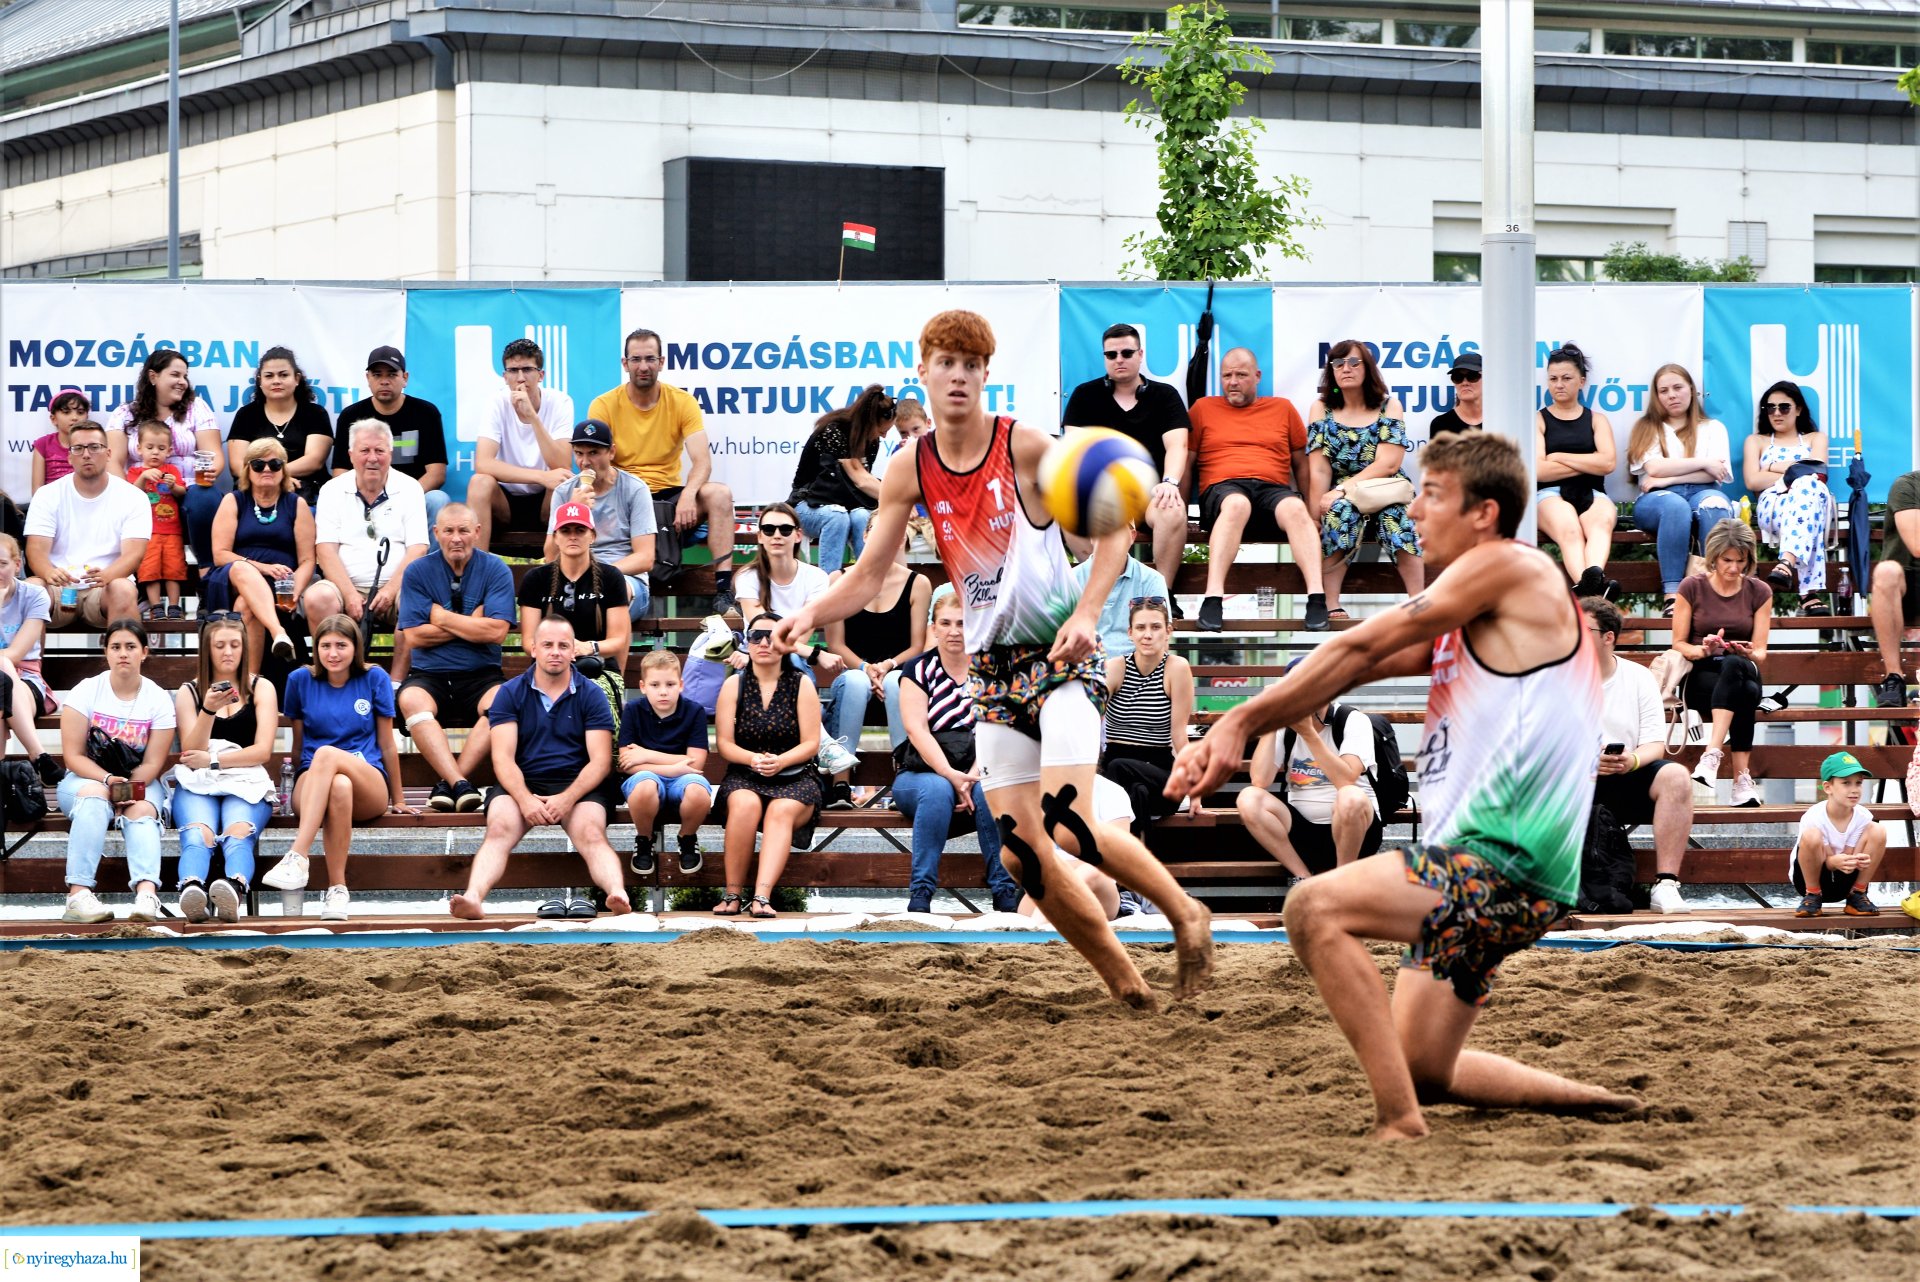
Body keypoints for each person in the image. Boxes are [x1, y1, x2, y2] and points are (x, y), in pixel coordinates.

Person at [1170, 432, 1642, 1140]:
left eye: (1431, 494)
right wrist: (1254, 718)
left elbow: (1358, 646)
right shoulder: (1479, 605)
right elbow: (1357, 664)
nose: (1414, 511)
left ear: (1483, 513)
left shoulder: (1513, 569)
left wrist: (1237, 720)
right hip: (1490, 867)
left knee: (1312, 909)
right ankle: (1601, 1106)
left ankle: (1400, 1125)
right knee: (1425, 1068)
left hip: (1503, 863)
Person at [775, 308, 1214, 1007]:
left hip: (1058, 656)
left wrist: (1088, 612)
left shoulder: (1026, 446)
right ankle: (1125, 983)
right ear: (922, 371)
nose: (957, 375)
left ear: (985, 375)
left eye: (970, 364)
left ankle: (1187, 914)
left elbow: (1118, 530)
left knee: (1071, 824)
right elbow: (864, 576)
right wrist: (805, 613)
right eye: (945, 362)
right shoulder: (908, 465)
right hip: (994, 670)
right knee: (1020, 852)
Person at [450, 615, 632, 920]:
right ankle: (473, 898)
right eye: (548, 644)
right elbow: (502, 759)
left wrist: (567, 798)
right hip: (523, 782)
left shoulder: (591, 693)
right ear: (533, 649)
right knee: (499, 828)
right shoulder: (509, 693)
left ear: (574, 651)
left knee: (591, 832)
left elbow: (600, 761)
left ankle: (617, 893)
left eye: (563, 645)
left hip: (578, 784)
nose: (556, 652)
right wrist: (524, 799)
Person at [259, 615, 411, 921]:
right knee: (337, 783)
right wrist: (288, 792)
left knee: (328, 755)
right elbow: (299, 748)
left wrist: (399, 800)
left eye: (341, 645)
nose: (333, 653)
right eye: (325, 645)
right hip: (314, 781)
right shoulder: (299, 680)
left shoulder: (374, 678)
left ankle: (297, 856)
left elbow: (387, 744)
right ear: (316, 649)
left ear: (355, 647)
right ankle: (337, 890)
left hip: (368, 781)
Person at [892, 588, 1025, 915]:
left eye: (962, 623)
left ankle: (1005, 891)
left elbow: (996, 726)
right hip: (922, 772)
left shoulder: (991, 669)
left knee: (987, 790)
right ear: (933, 628)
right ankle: (921, 894)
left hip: (982, 766)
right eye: (945, 623)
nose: (954, 631)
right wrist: (951, 776)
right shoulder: (917, 670)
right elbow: (916, 730)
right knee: (937, 791)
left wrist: (976, 772)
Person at [588, 328, 737, 612]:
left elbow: (702, 460)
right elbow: (596, 461)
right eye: (636, 359)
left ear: (662, 362)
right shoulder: (604, 404)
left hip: (668, 496)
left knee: (719, 494)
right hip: (625, 493)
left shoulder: (682, 401)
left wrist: (689, 495)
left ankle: (722, 591)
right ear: (625, 363)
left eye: (649, 359)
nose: (643, 366)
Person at [1186, 346, 1327, 632]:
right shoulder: (1203, 408)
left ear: (1257, 376)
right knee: (1238, 504)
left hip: (1271, 490)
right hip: (1223, 490)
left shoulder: (1282, 408)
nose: (1233, 382)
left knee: (1295, 508)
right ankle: (1213, 598)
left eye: (1240, 374)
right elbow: (1186, 463)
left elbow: (1302, 465)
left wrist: (1313, 512)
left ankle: (1316, 598)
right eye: (1226, 375)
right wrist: (1180, 511)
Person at [1060, 323, 1192, 606]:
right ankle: (1102, 590)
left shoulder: (1164, 395)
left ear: (1140, 354)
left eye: (1126, 352)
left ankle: (1160, 596)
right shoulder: (1085, 395)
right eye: (1111, 355)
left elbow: (1178, 445)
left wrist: (1169, 482)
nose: (1119, 359)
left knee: (1173, 508)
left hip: (1150, 493)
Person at [395, 503, 516, 812]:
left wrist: (439, 617)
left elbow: (497, 632)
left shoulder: (495, 569)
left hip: (482, 672)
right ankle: (461, 783)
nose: (456, 538)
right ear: (436, 534)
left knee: (503, 701)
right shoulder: (418, 571)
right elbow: (414, 637)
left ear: (477, 532)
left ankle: (451, 782)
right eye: (448, 531)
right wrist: (470, 621)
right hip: (429, 672)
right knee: (410, 701)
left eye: (464, 530)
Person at [55, 619, 176, 924]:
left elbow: (152, 763)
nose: (123, 653)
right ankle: (78, 895)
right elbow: (73, 757)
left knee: (143, 809)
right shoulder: (86, 690)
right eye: (116, 647)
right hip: (86, 779)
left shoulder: (158, 697)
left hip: (139, 780)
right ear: (106, 653)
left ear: (144, 652)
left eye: (131, 647)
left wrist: (128, 789)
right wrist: (108, 782)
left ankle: (147, 895)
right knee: (95, 797)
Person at [1579, 596, 1694, 915]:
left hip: (1625, 776)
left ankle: (1667, 884)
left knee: (1676, 775)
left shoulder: (1638, 678)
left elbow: (1655, 744)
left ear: (1608, 637)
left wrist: (1630, 761)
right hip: (1572, 784)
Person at [712, 612, 823, 920]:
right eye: (756, 636)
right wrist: (753, 759)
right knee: (744, 804)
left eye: (771, 636)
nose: (763, 643)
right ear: (746, 643)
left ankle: (762, 897)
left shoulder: (801, 685)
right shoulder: (734, 685)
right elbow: (724, 743)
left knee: (780, 810)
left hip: (795, 774)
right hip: (746, 773)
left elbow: (811, 743)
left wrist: (781, 761)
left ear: (786, 643)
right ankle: (733, 894)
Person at [170, 615, 279, 923]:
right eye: (219, 646)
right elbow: (192, 750)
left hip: (245, 780)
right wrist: (208, 709)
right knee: (198, 834)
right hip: (197, 781)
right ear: (207, 650)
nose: (228, 652)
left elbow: (262, 751)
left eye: (235, 645)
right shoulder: (189, 692)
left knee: (238, 833)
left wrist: (214, 761)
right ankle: (192, 889)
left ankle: (233, 887)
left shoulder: (262, 688)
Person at [1234, 660, 1384, 881]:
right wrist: (1270, 720)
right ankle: (1303, 878)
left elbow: (1346, 780)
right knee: (1249, 797)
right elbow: (1260, 780)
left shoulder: (1352, 720)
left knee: (1350, 797)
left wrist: (1309, 734)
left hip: (1356, 832)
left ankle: (1343, 880)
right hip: (1303, 831)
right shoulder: (1285, 726)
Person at [1306, 339, 1423, 622]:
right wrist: (1315, 513)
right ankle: (1331, 604)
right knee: (1337, 513)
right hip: (1340, 495)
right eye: (1338, 363)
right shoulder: (1322, 408)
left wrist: (1343, 488)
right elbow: (1319, 470)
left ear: (1367, 368)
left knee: (1397, 518)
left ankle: (1419, 602)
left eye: (1354, 362)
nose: (1346, 368)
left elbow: (1389, 462)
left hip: (1383, 486)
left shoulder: (1388, 405)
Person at [820, 538, 928, 806]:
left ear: (901, 539)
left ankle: (905, 777)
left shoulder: (918, 583)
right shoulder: (840, 579)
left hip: (897, 677)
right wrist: (866, 668)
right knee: (856, 681)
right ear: (865, 536)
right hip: (853, 675)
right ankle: (841, 781)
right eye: (876, 531)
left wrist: (887, 665)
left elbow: (917, 646)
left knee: (895, 681)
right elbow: (836, 644)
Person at [1672, 518, 1772, 804]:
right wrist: (1704, 648)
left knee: (1736, 666)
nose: (1733, 568)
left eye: (1740, 561)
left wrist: (1745, 651)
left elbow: (1761, 652)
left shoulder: (1759, 592)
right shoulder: (1691, 587)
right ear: (1713, 556)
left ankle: (1711, 756)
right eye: (1727, 560)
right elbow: (1678, 644)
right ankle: (1742, 782)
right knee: (1746, 691)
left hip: (1742, 668)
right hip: (1702, 676)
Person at [1627, 363, 1734, 618]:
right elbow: (1653, 467)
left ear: (1692, 390)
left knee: (1716, 506)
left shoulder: (1713, 428)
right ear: (1657, 396)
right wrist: (1703, 462)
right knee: (1676, 507)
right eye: (1663, 391)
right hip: (1656, 500)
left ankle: (1712, 591)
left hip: (1702, 491)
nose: (1671, 395)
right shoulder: (1647, 427)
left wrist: (1666, 478)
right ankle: (1673, 594)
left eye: (1677, 387)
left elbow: (1717, 473)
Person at [306, 418, 429, 636]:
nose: (372, 458)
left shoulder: (411, 488)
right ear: (351, 454)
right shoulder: (331, 490)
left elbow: (418, 549)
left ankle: (400, 672)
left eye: (380, 450)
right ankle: (328, 670)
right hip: (345, 587)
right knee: (317, 597)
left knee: (416, 599)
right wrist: (350, 594)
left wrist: (390, 591)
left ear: (390, 454)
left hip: (397, 588)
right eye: (365, 450)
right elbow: (325, 551)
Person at [106, 349, 225, 572]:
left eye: (185, 377)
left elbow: (214, 455)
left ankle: (207, 576)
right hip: (142, 493)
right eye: (175, 375)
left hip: (188, 489)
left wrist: (211, 471)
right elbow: (113, 461)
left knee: (204, 497)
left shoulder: (196, 407)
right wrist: (130, 493)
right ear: (153, 377)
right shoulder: (125, 413)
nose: (182, 382)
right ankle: (139, 589)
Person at [23, 421, 149, 630]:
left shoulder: (133, 497)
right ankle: (26, 664)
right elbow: (35, 549)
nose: (86, 454)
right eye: (78, 449)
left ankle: (125, 662)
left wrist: (108, 575)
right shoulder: (47, 494)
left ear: (108, 453)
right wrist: (48, 573)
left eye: (94, 447)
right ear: (69, 457)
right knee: (32, 589)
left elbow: (133, 555)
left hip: (105, 588)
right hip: (59, 587)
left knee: (123, 589)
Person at [206, 437, 310, 668]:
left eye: (274, 464)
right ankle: (278, 631)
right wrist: (262, 567)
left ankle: (251, 681)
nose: (266, 469)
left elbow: (307, 560)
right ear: (247, 470)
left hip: (281, 585)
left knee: (246, 604)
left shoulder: (296, 504)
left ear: (283, 470)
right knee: (243, 569)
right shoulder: (234, 501)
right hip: (233, 579)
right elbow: (220, 554)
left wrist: (294, 592)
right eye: (257, 464)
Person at [519, 501, 633, 704]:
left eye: (580, 530)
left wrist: (586, 647)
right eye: (565, 530)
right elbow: (528, 642)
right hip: (548, 668)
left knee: (592, 702)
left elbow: (618, 641)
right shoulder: (536, 579)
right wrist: (560, 651)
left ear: (592, 536)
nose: (573, 536)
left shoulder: (611, 577)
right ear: (555, 537)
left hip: (599, 669)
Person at [468, 337, 575, 552]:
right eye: (513, 371)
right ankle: (475, 575)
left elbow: (562, 463)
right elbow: (483, 463)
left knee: (564, 482)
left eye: (527, 369)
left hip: (546, 501)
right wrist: (540, 476)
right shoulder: (496, 402)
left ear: (540, 375)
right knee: (480, 482)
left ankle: (560, 578)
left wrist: (533, 417)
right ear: (504, 376)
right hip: (505, 503)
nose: (520, 378)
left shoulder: (561, 401)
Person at [329, 346, 451, 533]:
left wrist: (400, 497)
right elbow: (340, 471)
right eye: (377, 375)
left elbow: (436, 473)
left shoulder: (426, 413)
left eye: (392, 374)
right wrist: (370, 498)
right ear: (368, 378)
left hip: (411, 499)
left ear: (405, 378)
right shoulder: (350, 416)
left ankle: (426, 563)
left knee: (438, 499)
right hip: (364, 498)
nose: (384, 381)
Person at [547, 418, 658, 620]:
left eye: (594, 453)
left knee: (610, 591)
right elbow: (549, 556)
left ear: (611, 452)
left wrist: (597, 574)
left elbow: (645, 557)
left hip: (625, 579)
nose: (585, 462)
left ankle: (600, 650)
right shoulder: (564, 492)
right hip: (572, 576)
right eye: (579, 453)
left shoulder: (635, 489)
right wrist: (572, 510)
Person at [1099, 597, 1192, 836]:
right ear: (1130, 633)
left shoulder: (1177, 668)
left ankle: (1127, 865)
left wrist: (1196, 789)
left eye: (1155, 627)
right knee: (1135, 790)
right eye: (1140, 628)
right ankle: (1142, 856)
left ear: (1168, 631)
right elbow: (1092, 719)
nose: (1147, 635)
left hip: (1159, 772)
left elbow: (1179, 734)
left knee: (1123, 774)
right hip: (1117, 765)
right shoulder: (1115, 668)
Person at [619, 649, 713, 878]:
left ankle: (687, 838)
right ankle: (644, 839)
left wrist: (645, 755)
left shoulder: (694, 711)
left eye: (670, 684)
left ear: (681, 685)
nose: (663, 692)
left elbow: (695, 764)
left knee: (698, 790)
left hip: (683, 779)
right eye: (655, 685)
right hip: (645, 780)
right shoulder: (633, 710)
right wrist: (673, 767)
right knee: (644, 784)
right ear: (642, 686)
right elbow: (627, 763)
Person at [1744, 379, 1834, 617]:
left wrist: (1771, 470)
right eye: (1770, 408)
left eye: (1784, 407)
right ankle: (1807, 593)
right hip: (1773, 506)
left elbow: (1818, 473)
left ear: (1798, 409)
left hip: (1810, 501)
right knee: (1805, 487)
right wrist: (1793, 469)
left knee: (1807, 487)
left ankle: (1787, 563)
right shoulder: (1757, 441)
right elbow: (1752, 481)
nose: (1776, 412)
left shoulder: (1816, 438)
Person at [1533, 343, 1617, 598]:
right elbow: (1539, 471)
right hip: (1549, 495)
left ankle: (1587, 587)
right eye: (1553, 379)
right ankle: (1594, 592)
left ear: (1581, 381)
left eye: (1566, 378)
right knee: (1569, 528)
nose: (1559, 384)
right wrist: (1589, 461)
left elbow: (1608, 464)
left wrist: (1558, 457)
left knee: (1602, 522)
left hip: (1594, 493)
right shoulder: (1537, 419)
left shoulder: (1597, 419)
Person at [791, 384, 891, 573]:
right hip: (807, 504)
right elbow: (860, 479)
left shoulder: (872, 441)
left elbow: (864, 481)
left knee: (863, 516)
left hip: (844, 507)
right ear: (869, 422)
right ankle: (829, 585)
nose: (884, 436)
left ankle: (868, 582)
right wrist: (898, 499)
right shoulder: (834, 431)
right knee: (837, 518)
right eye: (881, 430)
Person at [227, 346, 334, 506]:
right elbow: (237, 465)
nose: (276, 380)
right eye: (269, 376)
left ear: (297, 379)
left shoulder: (315, 414)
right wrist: (272, 478)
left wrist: (275, 475)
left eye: (283, 375)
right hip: (255, 489)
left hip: (305, 491)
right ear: (260, 380)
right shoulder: (246, 415)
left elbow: (314, 461)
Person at [0, 535, 64, 784]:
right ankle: (40, 757)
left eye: (2, 564)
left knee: (4, 666)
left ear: (17, 564)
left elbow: (15, 654)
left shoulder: (34, 595)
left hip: (27, 681)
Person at [1791, 751, 1885, 918]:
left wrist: (1860, 860)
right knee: (1811, 835)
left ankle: (1857, 894)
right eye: (1846, 783)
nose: (1854, 790)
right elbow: (1826, 859)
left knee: (1878, 830)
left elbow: (1849, 852)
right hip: (1810, 878)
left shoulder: (1863, 816)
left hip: (1845, 880)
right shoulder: (1814, 816)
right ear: (1828, 787)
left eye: (1858, 783)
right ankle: (1812, 896)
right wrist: (1834, 861)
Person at [1868, 467, 1920, 707]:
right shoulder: (1908, 485)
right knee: (1886, 572)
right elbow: (1917, 544)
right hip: (1909, 584)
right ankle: (1893, 678)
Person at [1071, 535, 1168, 661]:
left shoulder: (1152, 579)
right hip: (1087, 667)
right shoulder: (1071, 579)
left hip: (1136, 669)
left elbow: (1161, 641)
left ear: (1132, 536)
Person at [127, 420, 188, 620]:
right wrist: (144, 477)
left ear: (169, 450)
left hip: (172, 530)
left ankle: (174, 606)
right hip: (147, 532)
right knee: (149, 569)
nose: (155, 452)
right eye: (150, 447)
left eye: (161, 448)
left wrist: (173, 486)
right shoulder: (135, 472)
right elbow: (131, 495)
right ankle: (155, 606)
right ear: (139, 449)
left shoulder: (172, 471)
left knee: (174, 569)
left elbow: (181, 493)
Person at [32, 390, 89, 493]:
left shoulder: (94, 445)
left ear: (87, 417)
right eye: (66, 412)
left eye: (80, 412)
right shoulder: (43, 445)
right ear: (53, 419)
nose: (75, 418)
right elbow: (37, 490)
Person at [1426, 351, 1482, 439]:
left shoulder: (1499, 421)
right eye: (1458, 377)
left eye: (1472, 376)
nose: (1464, 382)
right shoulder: (1441, 425)